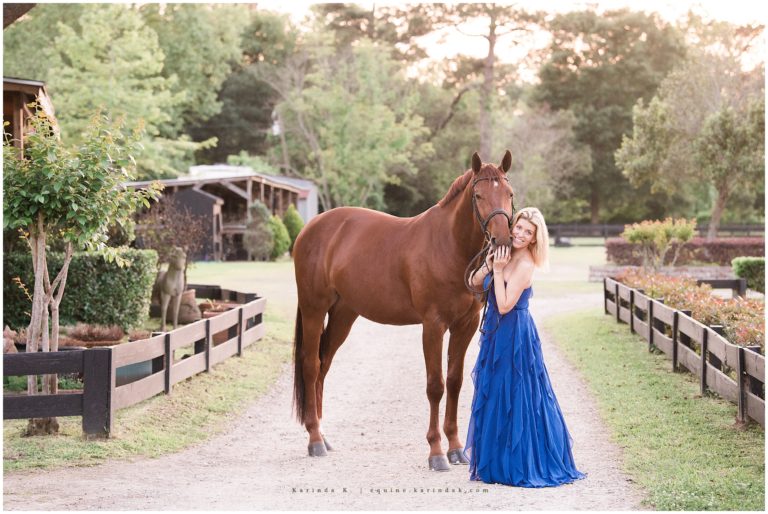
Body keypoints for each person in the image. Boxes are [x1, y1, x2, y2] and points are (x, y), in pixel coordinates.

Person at [464, 207, 585, 487]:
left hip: (515, 333)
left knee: (516, 393)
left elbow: (505, 305)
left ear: (534, 238)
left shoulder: (526, 264)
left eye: (527, 232)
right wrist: (489, 264)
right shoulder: (502, 251)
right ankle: (496, 459)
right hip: (495, 332)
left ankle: (519, 460)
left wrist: (497, 271)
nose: (520, 234)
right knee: (495, 391)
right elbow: (472, 282)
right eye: (518, 227)